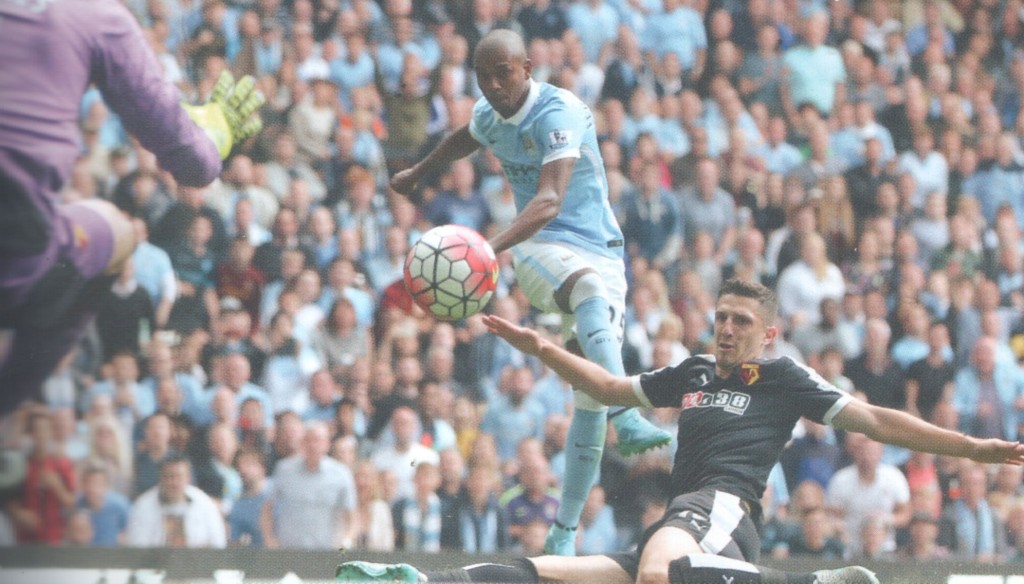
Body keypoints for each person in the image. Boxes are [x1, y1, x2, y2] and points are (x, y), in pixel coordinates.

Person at [338, 278, 1024, 584]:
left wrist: (971, 448)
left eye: (741, 321)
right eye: (721, 316)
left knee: (660, 572)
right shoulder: (694, 370)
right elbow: (609, 389)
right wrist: (541, 345)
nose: (726, 328)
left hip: (723, 511)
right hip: (682, 524)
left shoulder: (784, 378)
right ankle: (420, 581)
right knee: (543, 573)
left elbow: (876, 419)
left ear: (768, 333)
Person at [388, 28, 671, 555]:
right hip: (538, 247)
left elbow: (550, 197)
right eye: (484, 77)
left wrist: (484, 249)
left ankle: (563, 534)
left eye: (503, 73)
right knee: (584, 292)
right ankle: (627, 412)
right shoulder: (489, 114)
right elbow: (466, 136)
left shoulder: (560, 113)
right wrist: (421, 171)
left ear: (526, 68)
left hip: (601, 250)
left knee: (587, 396)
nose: (494, 85)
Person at [0, 0, 263, 414]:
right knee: (118, 232)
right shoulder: (96, 17)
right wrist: (212, 131)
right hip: (17, 257)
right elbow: (194, 164)